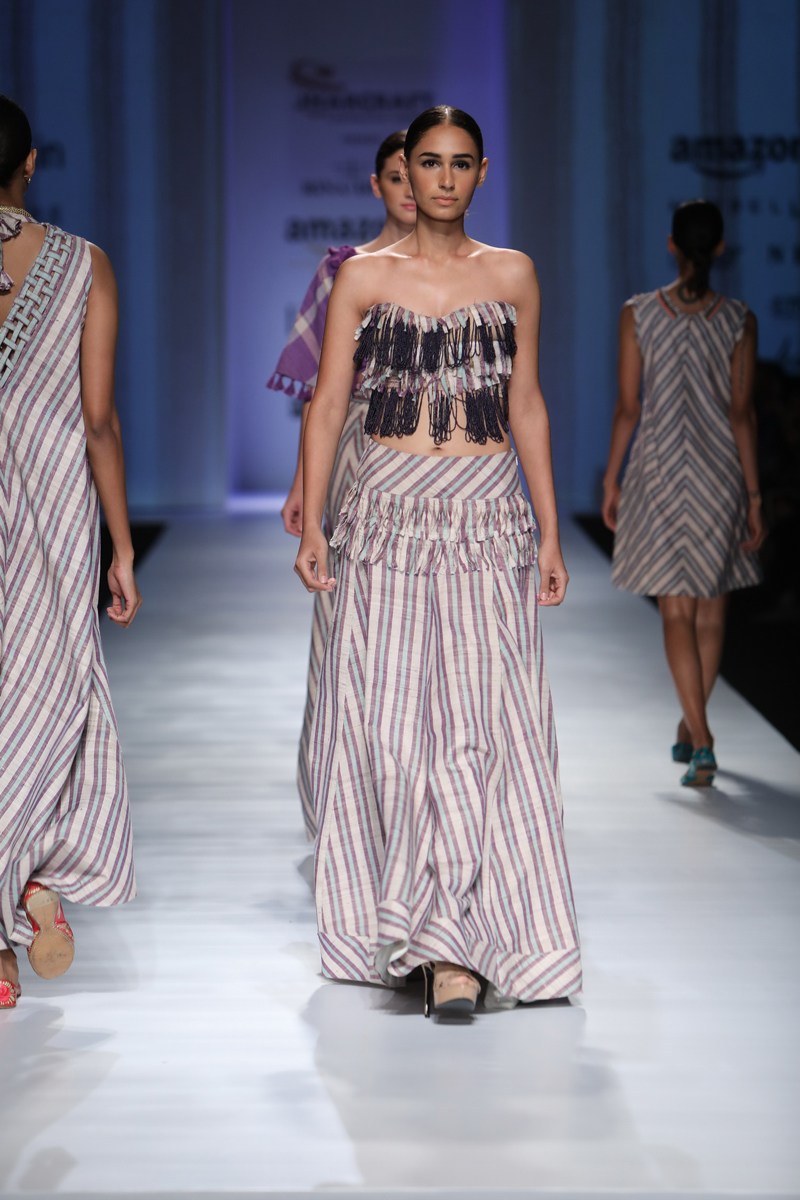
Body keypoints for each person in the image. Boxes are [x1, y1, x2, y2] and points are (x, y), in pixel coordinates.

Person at [294, 106, 582, 1016]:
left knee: (477, 731)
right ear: (405, 174)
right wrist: (313, 524)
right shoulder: (362, 278)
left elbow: (526, 403)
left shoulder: (513, 273)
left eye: (461, 164)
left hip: (484, 522)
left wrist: (549, 529)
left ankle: (457, 949)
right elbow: (328, 404)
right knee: (387, 732)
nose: (445, 179)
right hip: (383, 519)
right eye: (429, 163)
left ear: (482, 173)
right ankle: (410, 928)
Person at [0, 96, 141, 1010]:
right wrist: (121, 546)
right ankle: (31, 877)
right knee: (45, 695)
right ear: (31, 162)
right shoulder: (84, 262)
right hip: (51, 507)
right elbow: (97, 420)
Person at [268, 130, 416, 838]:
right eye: (397, 175)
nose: (411, 188)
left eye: (418, 172)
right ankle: (336, 796)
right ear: (376, 184)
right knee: (344, 622)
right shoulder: (344, 270)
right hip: (358, 456)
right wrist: (305, 484)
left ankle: (409, 795)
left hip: (439, 462)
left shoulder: (465, 272)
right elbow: (321, 397)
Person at [602, 199, 764, 787]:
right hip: (720, 474)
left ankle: (702, 738)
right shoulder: (739, 319)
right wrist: (753, 496)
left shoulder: (639, 313)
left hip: (660, 471)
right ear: (719, 248)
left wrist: (612, 476)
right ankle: (692, 729)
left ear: (671, 245)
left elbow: (628, 407)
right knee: (711, 614)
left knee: (676, 611)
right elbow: (742, 414)